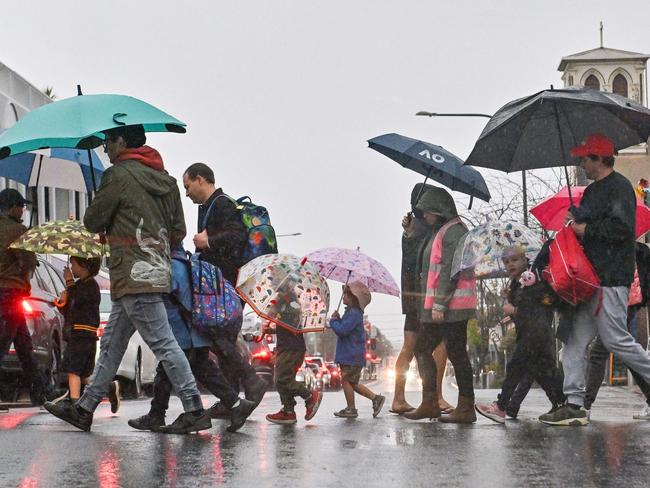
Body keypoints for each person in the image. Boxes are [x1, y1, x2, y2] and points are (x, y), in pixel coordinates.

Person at [45, 125, 210, 434]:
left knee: (163, 343)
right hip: (154, 271)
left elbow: (93, 221)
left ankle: (194, 407)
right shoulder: (168, 181)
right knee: (111, 344)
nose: (106, 147)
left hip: (131, 273)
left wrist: (111, 218)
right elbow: (178, 232)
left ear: (121, 142)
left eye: (109, 141)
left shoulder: (117, 176)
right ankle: (85, 407)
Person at [540, 133, 650, 426]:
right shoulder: (592, 191)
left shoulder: (620, 188)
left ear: (600, 159)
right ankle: (574, 405)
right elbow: (586, 220)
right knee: (574, 342)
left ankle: (576, 403)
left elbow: (622, 230)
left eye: (586, 158)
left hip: (611, 278)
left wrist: (585, 230)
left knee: (617, 340)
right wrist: (574, 218)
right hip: (589, 281)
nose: (582, 163)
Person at [128, 245, 256, 433]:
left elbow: (159, 298)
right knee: (192, 369)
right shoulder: (190, 264)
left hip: (183, 333)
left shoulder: (170, 268)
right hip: (199, 329)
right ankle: (236, 405)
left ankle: (167, 414)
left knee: (171, 367)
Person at [182, 163, 266, 416]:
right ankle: (235, 399)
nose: (186, 193)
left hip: (225, 284)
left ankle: (250, 384)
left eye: (187, 186)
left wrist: (208, 242)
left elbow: (236, 237)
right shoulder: (208, 207)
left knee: (218, 337)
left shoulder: (222, 204)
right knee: (222, 340)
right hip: (217, 284)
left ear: (200, 179)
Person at [404, 186, 477, 423]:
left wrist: (440, 304)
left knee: (456, 353)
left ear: (439, 209)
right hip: (444, 306)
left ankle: (464, 406)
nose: (424, 216)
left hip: (451, 307)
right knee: (424, 348)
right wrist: (411, 232)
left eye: (427, 211)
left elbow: (448, 271)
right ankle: (430, 403)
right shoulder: (441, 231)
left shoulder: (453, 232)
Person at [475, 246, 565, 424]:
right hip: (532, 333)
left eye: (515, 259)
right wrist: (511, 296)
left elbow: (540, 307)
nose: (510, 264)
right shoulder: (518, 282)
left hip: (535, 332)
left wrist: (515, 309)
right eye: (506, 261)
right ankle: (561, 405)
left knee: (515, 367)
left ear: (525, 259)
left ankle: (501, 407)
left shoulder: (533, 278)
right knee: (543, 371)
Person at [391, 183, 454, 415]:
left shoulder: (412, 227)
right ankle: (436, 397)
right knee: (439, 346)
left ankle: (399, 398)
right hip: (423, 297)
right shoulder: (424, 228)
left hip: (412, 298)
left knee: (409, 347)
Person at [584, 242, 650, 419]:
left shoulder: (631, 249)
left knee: (599, 353)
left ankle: (585, 406)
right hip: (620, 302)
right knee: (629, 354)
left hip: (623, 303)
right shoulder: (631, 248)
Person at [53, 256, 120, 411]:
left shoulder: (90, 286)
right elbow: (71, 309)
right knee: (83, 375)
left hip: (83, 334)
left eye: (74, 264)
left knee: (73, 369)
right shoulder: (80, 285)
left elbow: (80, 299)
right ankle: (108, 388)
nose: (71, 267)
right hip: (78, 333)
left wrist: (69, 283)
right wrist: (62, 302)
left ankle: (74, 403)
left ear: (84, 266)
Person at [0, 188, 43, 409]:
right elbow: (27, 265)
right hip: (11, 293)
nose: (23, 210)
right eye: (22, 206)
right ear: (13, 207)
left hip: (6, 293)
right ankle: (39, 391)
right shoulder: (18, 230)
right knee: (4, 342)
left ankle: (39, 392)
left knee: (23, 345)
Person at [329, 282, 385, 418]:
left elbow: (343, 330)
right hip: (349, 354)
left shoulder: (354, 313)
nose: (343, 297)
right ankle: (372, 400)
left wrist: (333, 321)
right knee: (351, 382)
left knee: (348, 381)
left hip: (351, 355)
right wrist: (338, 318)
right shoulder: (351, 313)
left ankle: (354, 407)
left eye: (345, 295)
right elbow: (344, 326)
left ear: (353, 297)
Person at [265, 293, 322, 424]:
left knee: (281, 379)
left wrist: (275, 311)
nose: (276, 293)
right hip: (288, 347)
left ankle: (309, 396)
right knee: (283, 379)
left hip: (291, 348)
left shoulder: (291, 306)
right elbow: (287, 327)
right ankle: (288, 411)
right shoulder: (286, 306)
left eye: (279, 290)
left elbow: (291, 325)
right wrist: (272, 330)